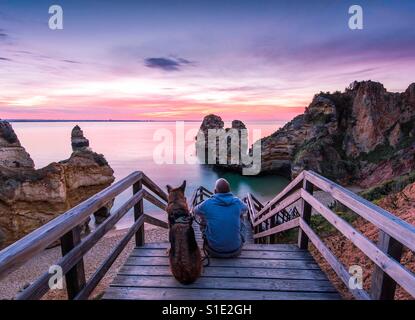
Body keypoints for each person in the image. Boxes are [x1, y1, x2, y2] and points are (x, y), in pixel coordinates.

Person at [194, 178, 247, 258]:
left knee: (203, 217)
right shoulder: (237, 202)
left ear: (215, 191)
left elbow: (195, 211)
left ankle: (209, 237)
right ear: (229, 191)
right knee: (240, 216)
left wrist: (207, 214)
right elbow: (246, 209)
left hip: (213, 250)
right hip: (235, 250)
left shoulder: (208, 203)